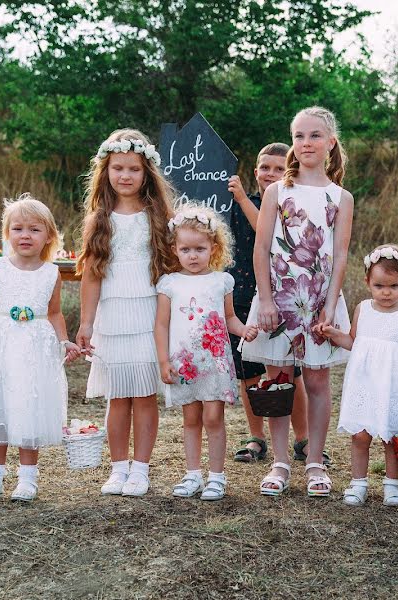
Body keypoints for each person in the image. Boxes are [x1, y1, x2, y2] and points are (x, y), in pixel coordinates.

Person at [241, 106, 354, 497]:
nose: (307, 143)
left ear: (330, 142)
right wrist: (267, 300)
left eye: (315, 136)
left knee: (318, 380)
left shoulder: (340, 197)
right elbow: (262, 250)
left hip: (319, 300)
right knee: (278, 381)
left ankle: (316, 462)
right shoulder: (276, 191)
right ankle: (279, 462)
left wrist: (329, 305)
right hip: (279, 298)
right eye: (300, 136)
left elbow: (339, 255)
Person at [0, 194, 82, 502]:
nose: (25, 235)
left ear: (49, 236)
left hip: (34, 349)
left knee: (29, 407)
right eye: (18, 229)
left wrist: (63, 341)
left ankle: (27, 479)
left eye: (34, 229)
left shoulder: (51, 273)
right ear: (7, 233)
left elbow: (53, 312)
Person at [76, 130, 175, 497]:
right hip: (113, 316)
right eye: (118, 168)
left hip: (150, 313)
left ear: (146, 173)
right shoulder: (99, 219)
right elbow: (91, 276)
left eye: (133, 169)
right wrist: (86, 323)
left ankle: (142, 469)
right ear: (107, 171)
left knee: (145, 394)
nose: (125, 176)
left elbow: (174, 270)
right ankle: (118, 468)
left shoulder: (161, 217)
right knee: (118, 396)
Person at [226, 143, 328, 466]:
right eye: (264, 167)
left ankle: (303, 439)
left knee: (289, 372)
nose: (269, 174)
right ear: (254, 171)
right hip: (240, 291)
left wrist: (242, 198)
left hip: (280, 294)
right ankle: (256, 437)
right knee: (249, 373)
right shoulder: (234, 202)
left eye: (277, 168)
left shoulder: (285, 203)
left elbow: (264, 233)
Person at [154, 205, 258, 500]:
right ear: (175, 249)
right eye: (185, 249)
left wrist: (243, 330)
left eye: (200, 248)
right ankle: (192, 475)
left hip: (214, 362)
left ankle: (216, 477)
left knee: (213, 417)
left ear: (213, 247)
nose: (193, 256)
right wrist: (163, 360)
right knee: (191, 419)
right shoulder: (169, 283)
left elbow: (229, 319)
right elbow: (161, 325)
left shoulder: (221, 281)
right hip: (185, 363)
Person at [323, 245, 398, 506]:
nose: (386, 292)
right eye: (379, 286)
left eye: (394, 285)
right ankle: (358, 483)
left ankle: (392, 484)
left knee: (391, 437)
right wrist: (336, 336)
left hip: (393, 385)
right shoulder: (363, 309)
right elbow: (354, 341)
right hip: (364, 383)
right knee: (360, 435)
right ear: (368, 282)